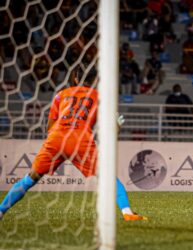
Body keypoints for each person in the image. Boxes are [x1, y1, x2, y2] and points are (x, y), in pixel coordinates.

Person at [0, 67, 147, 221]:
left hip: (57, 138)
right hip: (80, 140)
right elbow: (110, 132)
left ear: (75, 79)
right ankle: (128, 213)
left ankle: (1, 211)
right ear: (95, 80)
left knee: (31, 178)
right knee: (107, 177)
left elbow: (49, 127)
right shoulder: (99, 97)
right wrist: (117, 126)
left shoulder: (60, 95)